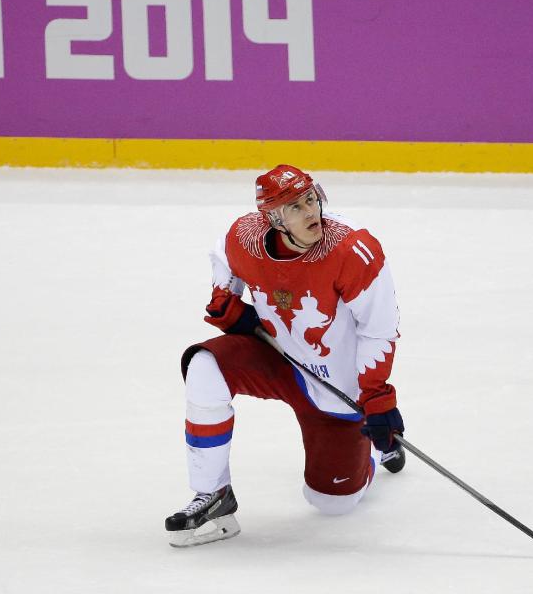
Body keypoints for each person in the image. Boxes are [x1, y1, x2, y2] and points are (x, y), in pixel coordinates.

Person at [165, 164, 405, 548]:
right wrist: (225, 298)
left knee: (331, 504)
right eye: (295, 207)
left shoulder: (352, 250)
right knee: (205, 365)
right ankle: (212, 495)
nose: (311, 212)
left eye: (311, 199)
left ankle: (372, 458)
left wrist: (376, 398)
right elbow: (224, 258)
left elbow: (378, 329)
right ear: (274, 219)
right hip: (277, 360)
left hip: (334, 389)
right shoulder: (246, 236)